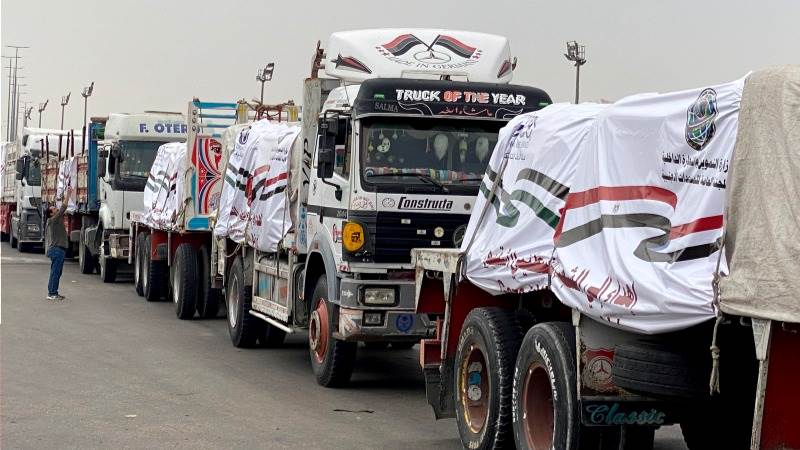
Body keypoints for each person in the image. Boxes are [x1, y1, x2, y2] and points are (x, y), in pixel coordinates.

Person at [45, 186, 72, 301]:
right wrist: (68, 194)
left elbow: (60, 208)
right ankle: (52, 293)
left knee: (56, 272)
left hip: (56, 250)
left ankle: (52, 292)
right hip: (57, 250)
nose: (56, 209)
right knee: (56, 272)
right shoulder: (53, 220)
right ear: (51, 214)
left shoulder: (51, 221)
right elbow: (63, 208)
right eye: (54, 209)